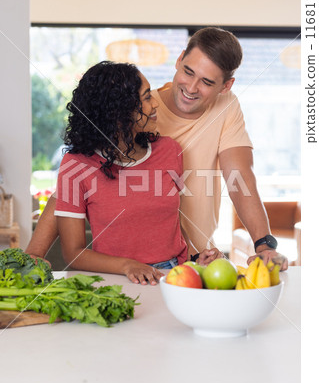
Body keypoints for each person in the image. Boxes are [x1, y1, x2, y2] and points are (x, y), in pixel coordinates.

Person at [26, 27, 287, 271]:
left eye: (207, 82)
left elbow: (239, 178)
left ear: (225, 86)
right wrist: (34, 255)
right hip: (130, 267)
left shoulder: (223, 108)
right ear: (179, 59)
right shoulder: (132, 111)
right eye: (188, 71)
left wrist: (263, 243)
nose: (191, 88)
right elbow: (74, 181)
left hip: (192, 259)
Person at [49, 61, 214, 286]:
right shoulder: (76, 164)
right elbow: (73, 252)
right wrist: (127, 265)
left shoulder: (169, 150)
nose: (155, 104)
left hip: (173, 275)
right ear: (119, 111)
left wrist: (195, 258)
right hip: (114, 279)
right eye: (146, 97)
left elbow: (171, 222)